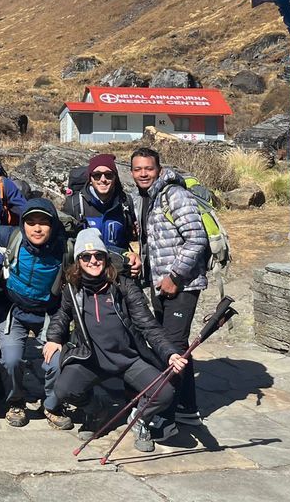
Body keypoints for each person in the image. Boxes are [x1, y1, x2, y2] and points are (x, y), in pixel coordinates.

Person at [43, 229, 188, 452]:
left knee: (165, 392)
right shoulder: (72, 289)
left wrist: (169, 353)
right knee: (63, 391)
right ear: (78, 261)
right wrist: (53, 338)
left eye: (98, 255)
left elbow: (147, 324)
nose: (93, 261)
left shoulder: (124, 286)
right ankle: (96, 409)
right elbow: (62, 315)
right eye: (86, 257)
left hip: (128, 359)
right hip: (91, 358)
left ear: (106, 258)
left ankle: (141, 419)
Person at [130, 147, 208, 427]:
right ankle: (188, 407)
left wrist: (175, 276)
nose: (143, 174)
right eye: (138, 169)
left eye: (148, 169)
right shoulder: (146, 198)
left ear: (159, 170)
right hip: (162, 286)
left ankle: (165, 414)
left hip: (182, 285)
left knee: (171, 346)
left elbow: (196, 238)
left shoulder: (175, 194)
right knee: (176, 344)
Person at [0, 198, 69, 429]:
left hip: (48, 315)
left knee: (56, 362)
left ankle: (52, 405)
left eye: (43, 222)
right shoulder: (12, 237)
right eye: (31, 222)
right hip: (14, 311)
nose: (37, 228)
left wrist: (126, 257)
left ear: (53, 226)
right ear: (23, 224)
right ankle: (16, 401)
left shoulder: (64, 247)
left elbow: (99, 251)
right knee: (11, 360)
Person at [63, 154, 142, 277]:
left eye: (108, 175)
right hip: (85, 275)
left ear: (115, 177)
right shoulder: (74, 204)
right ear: (90, 178)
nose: (103, 179)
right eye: (97, 175)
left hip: (118, 273)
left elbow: (131, 237)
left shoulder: (126, 203)